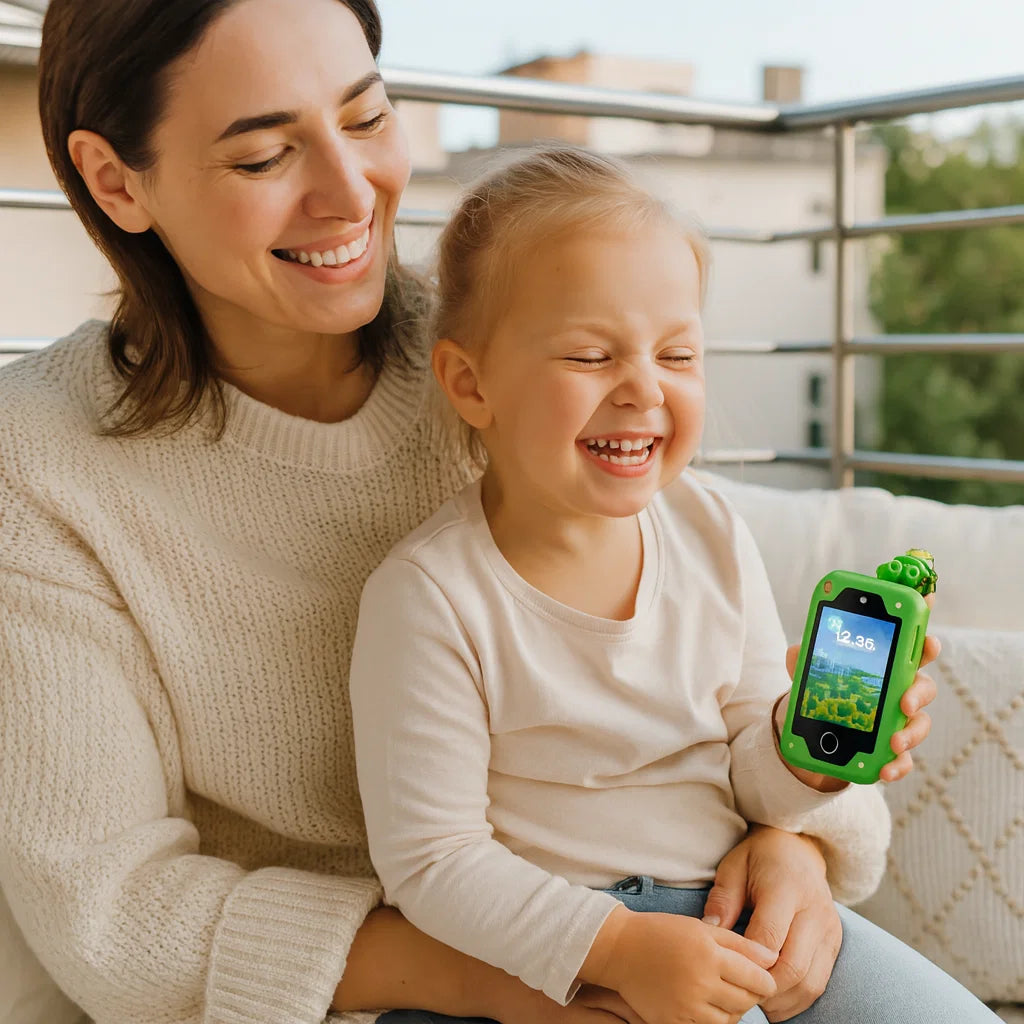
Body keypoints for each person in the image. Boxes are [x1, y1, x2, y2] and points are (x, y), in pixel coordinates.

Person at [0, 1, 940, 1023]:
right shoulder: (42, 463)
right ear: (114, 180)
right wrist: (548, 975)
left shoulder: (534, 341)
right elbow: (117, 917)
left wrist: (788, 842)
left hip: (696, 924)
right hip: (408, 977)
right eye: (267, 155)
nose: (350, 192)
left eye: (365, 119)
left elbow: (719, 683)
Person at [349, 147, 999, 1024]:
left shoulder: (710, 534)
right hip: (547, 954)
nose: (643, 389)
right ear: (471, 383)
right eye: (590, 355)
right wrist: (617, 949)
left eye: (678, 354)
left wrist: (802, 756)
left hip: (731, 914)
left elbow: (753, 780)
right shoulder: (429, 594)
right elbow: (432, 862)